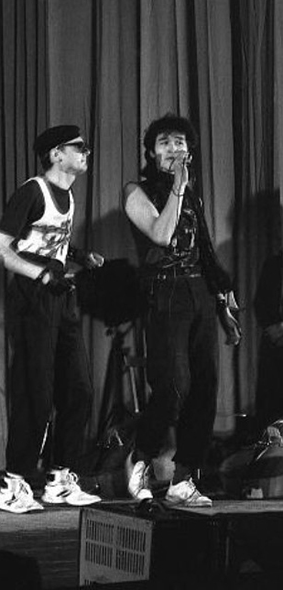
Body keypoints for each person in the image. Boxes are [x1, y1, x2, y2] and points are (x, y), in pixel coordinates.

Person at [123, 114, 241, 507]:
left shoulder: (192, 194)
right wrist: (177, 187)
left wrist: (222, 302)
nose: (174, 149)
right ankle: (141, 458)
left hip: (199, 292)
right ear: (151, 153)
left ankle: (184, 478)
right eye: (165, 143)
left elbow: (204, 249)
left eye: (180, 142)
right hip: (166, 291)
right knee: (174, 386)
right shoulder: (136, 191)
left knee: (204, 390)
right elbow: (161, 234)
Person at [0, 125, 103, 514]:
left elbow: (49, 241)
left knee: (78, 389)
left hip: (60, 294)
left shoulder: (68, 195)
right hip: (33, 296)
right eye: (78, 147)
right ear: (56, 154)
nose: (86, 152)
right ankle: (13, 484)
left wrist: (80, 256)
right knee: (34, 391)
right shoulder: (32, 191)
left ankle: (60, 478)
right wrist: (39, 275)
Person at [254, 249, 283, 426]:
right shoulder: (273, 264)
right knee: (269, 401)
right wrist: (271, 328)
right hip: (274, 339)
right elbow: (259, 302)